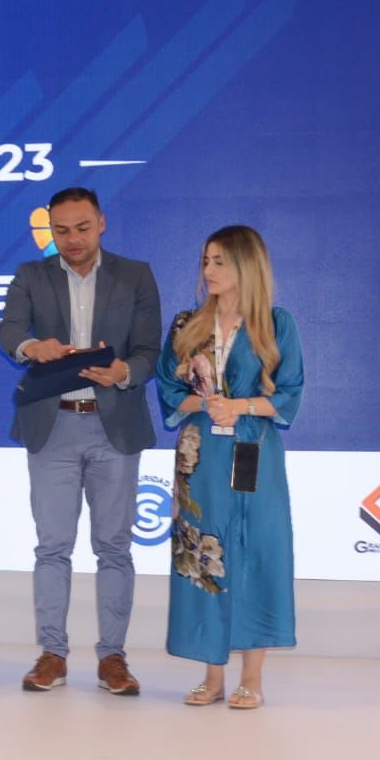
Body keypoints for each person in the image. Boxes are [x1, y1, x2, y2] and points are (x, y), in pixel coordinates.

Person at [0, 187, 161, 696]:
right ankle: (52, 654)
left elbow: (151, 351)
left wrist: (125, 372)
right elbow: (9, 333)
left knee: (114, 547)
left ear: (101, 224)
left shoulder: (136, 275)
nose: (72, 239)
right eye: (61, 230)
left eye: (82, 228)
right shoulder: (30, 275)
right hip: (53, 428)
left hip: (115, 427)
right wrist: (32, 347)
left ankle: (113, 657)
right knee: (53, 547)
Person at [156, 226, 303, 709]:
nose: (209, 271)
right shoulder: (186, 325)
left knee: (256, 552)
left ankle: (253, 678)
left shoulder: (276, 325)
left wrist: (239, 406)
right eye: (205, 261)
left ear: (246, 265)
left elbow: (289, 393)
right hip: (200, 458)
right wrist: (202, 405)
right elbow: (167, 388)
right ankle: (212, 674)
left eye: (219, 261)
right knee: (203, 556)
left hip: (252, 452)